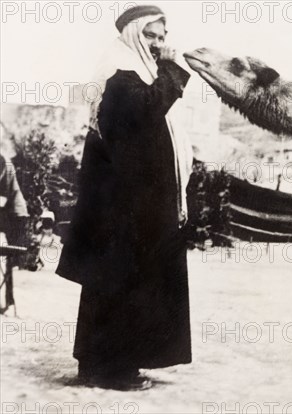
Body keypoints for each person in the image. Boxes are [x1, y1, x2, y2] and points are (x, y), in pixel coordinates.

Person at [56, 5, 193, 391]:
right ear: (132, 34)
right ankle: (112, 370)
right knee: (120, 281)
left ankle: (110, 363)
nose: (158, 44)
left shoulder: (136, 72)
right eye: (150, 35)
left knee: (126, 283)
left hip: (135, 206)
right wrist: (171, 70)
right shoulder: (119, 73)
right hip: (121, 208)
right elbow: (146, 112)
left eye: (162, 36)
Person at [0, 153, 29, 315]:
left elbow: (1, 200)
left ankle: (8, 303)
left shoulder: (2, 162)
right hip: (4, 214)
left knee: (7, 259)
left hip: (14, 216)